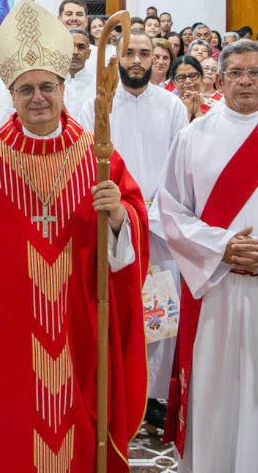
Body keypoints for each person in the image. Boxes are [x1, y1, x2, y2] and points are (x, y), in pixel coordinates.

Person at [0, 0, 148, 472]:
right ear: (10, 92)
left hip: (80, 322)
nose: (38, 97)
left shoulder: (98, 155)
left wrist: (118, 219)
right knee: (8, 429)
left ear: (64, 88)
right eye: (25, 89)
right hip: (7, 329)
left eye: (47, 86)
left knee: (80, 425)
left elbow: (132, 228)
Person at [154, 39, 258, 472]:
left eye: (255, 73)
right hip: (215, 290)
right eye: (235, 73)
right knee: (216, 393)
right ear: (221, 78)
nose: (245, 81)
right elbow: (171, 211)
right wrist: (222, 248)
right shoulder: (193, 137)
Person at [76, 29, 186, 419]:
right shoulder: (96, 107)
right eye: (128, 54)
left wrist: (152, 215)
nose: (136, 61)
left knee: (161, 313)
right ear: (116, 59)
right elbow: (87, 162)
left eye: (144, 53)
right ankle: (118, 384)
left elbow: (179, 169)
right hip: (115, 222)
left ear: (158, 58)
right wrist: (122, 211)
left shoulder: (172, 106)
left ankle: (155, 395)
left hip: (159, 227)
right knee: (119, 307)